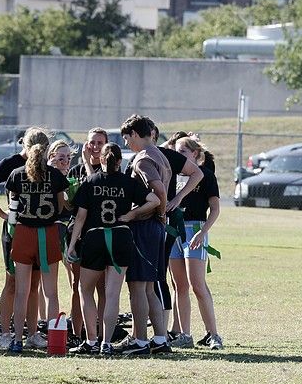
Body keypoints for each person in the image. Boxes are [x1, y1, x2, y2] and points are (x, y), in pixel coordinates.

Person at [117, 114, 202, 356]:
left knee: (137, 286)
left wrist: (158, 212)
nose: (126, 144)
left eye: (126, 138)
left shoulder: (143, 159)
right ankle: (160, 338)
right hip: (155, 229)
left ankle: (141, 341)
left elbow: (160, 191)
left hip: (144, 227)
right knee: (150, 287)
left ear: (134, 133)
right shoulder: (161, 155)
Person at [67, 143, 159, 355]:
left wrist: (72, 245)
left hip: (95, 237)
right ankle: (106, 343)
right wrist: (131, 215)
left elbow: (80, 217)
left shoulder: (91, 181)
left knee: (85, 290)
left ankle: (90, 341)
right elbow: (154, 200)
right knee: (112, 294)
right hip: (120, 236)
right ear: (119, 162)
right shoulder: (128, 182)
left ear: (101, 159)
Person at [0, 127, 48, 350]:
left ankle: (33, 333)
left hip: (39, 230)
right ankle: (6, 333)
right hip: (15, 230)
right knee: (13, 282)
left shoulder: (45, 166)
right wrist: (3, 214)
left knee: (34, 285)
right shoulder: (10, 164)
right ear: (23, 146)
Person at [4, 128, 70, 354]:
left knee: (22, 291)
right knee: (50, 293)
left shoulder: (17, 174)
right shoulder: (55, 175)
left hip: (23, 233)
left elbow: (12, 209)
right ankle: (54, 342)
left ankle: (17, 340)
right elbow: (61, 207)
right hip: (48, 232)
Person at [168, 137, 223, 349]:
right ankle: (185, 334)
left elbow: (215, 209)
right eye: (176, 151)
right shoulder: (173, 175)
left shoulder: (206, 176)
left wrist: (203, 233)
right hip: (174, 231)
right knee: (179, 286)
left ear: (195, 154)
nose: (178, 155)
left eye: (183, 151)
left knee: (197, 284)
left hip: (195, 229)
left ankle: (214, 334)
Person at [66, 127, 108, 342]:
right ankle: (77, 333)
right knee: (77, 284)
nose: (95, 147)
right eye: (92, 142)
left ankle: (100, 334)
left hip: (99, 232)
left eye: (100, 143)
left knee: (100, 286)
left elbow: (96, 190)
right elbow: (71, 204)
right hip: (77, 232)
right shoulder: (76, 171)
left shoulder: (108, 170)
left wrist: (85, 161)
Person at [42, 139, 74, 321]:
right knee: (46, 280)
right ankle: (44, 319)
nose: (66, 161)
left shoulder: (70, 177)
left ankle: (72, 316)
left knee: (72, 273)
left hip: (67, 229)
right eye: (61, 157)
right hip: (50, 229)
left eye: (69, 158)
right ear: (51, 157)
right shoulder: (48, 176)